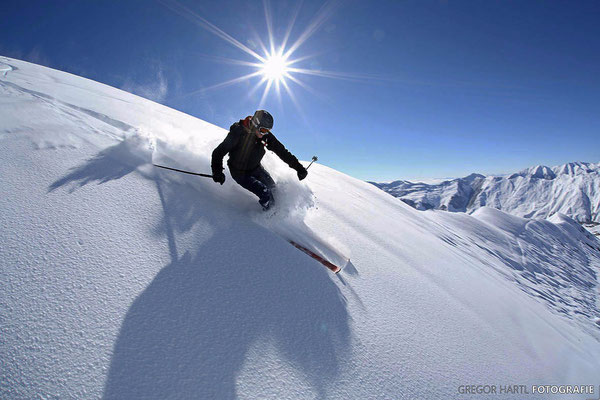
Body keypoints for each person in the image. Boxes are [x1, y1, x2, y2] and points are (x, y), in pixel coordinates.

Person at [211, 110, 308, 210]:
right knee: (265, 194)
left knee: (274, 190)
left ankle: (277, 212)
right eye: (263, 130)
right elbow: (218, 152)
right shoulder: (238, 133)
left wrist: (299, 168)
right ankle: (268, 220)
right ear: (255, 124)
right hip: (240, 173)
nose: (265, 133)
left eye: (268, 131)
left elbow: (282, 152)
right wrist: (217, 172)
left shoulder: (265, 137)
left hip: (256, 168)